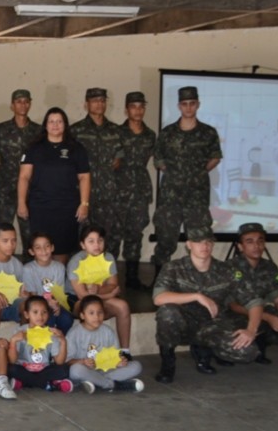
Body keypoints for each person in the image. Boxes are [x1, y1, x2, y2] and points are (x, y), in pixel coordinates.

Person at [151, 226, 261, 383]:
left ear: (213, 244)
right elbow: (159, 298)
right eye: (198, 242)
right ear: (189, 244)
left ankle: (204, 349)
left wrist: (251, 330)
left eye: (209, 242)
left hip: (212, 325)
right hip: (183, 324)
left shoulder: (227, 270)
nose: (205, 246)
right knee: (167, 312)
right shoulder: (174, 267)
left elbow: (254, 301)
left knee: (247, 352)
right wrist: (197, 296)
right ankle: (168, 362)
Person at [151, 86, 222, 273]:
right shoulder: (167, 133)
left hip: (197, 197)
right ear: (179, 106)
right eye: (184, 104)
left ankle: (200, 280)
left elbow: (215, 157)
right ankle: (159, 281)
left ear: (198, 105)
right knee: (165, 239)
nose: (188, 107)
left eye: (192, 103)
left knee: (200, 240)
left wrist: (198, 172)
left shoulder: (208, 132)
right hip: (170, 197)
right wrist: (175, 174)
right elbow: (158, 160)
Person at [18, 107, 92, 262]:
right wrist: (21, 203)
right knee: (41, 248)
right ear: (45, 125)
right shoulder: (34, 148)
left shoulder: (76, 148)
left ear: (65, 125)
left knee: (62, 248)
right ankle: (42, 278)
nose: (55, 125)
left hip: (66, 208)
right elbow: (24, 177)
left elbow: (84, 177)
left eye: (59, 121)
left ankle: (58, 277)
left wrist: (84, 203)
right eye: (51, 121)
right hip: (40, 207)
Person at [228, 222, 278, 363]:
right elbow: (232, 305)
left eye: (260, 241)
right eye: (250, 242)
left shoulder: (269, 267)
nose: (256, 246)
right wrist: (268, 317)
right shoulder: (230, 267)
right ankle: (220, 353)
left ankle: (260, 344)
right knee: (239, 347)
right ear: (240, 246)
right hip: (235, 314)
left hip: (260, 313)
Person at [70, 88, 124, 258]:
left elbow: (119, 158)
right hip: (82, 195)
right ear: (86, 104)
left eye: (102, 100)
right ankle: (80, 273)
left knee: (107, 238)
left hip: (108, 195)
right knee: (81, 237)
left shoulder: (116, 130)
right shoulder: (75, 131)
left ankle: (106, 272)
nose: (99, 104)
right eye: (94, 101)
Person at [67, 224, 132, 355]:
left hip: (99, 296)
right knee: (90, 307)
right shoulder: (76, 262)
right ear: (83, 245)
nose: (96, 245)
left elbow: (113, 285)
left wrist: (98, 289)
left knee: (123, 306)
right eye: (91, 241)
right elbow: (83, 295)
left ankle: (125, 351)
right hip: (78, 300)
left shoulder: (108, 257)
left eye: (100, 240)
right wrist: (109, 295)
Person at [0, 89, 42, 249]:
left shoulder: (39, 131)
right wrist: (1, 171)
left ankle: (30, 264)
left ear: (30, 104)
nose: (23, 105)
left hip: (31, 190)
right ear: (12, 105)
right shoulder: (1, 130)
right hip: (5, 189)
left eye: (26, 101)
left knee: (31, 235)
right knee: (2, 233)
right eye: (19, 102)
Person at [66, 294, 144, 393]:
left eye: (100, 312)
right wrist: (82, 361)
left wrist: (119, 362)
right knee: (75, 370)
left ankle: (97, 382)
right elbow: (68, 361)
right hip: (86, 369)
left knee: (136, 366)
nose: (96, 317)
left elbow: (114, 356)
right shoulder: (74, 333)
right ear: (82, 315)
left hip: (106, 370)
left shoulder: (108, 331)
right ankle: (112, 384)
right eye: (91, 313)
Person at [118, 91, 156, 289]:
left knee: (135, 234)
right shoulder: (117, 132)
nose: (138, 110)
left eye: (141, 107)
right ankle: (107, 279)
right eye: (133, 106)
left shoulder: (150, 135)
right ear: (127, 110)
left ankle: (132, 278)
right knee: (113, 234)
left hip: (140, 189)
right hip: (118, 189)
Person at [7, 295, 72, 393]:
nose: (40, 316)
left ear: (48, 314)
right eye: (35, 312)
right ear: (27, 314)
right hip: (24, 368)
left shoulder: (51, 333)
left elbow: (59, 362)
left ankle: (26, 382)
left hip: (44, 370)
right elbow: (12, 360)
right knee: (11, 369)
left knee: (64, 369)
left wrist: (63, 341)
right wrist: (13, 341)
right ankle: (47, 384)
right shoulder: (20, 331)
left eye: (44, 312)